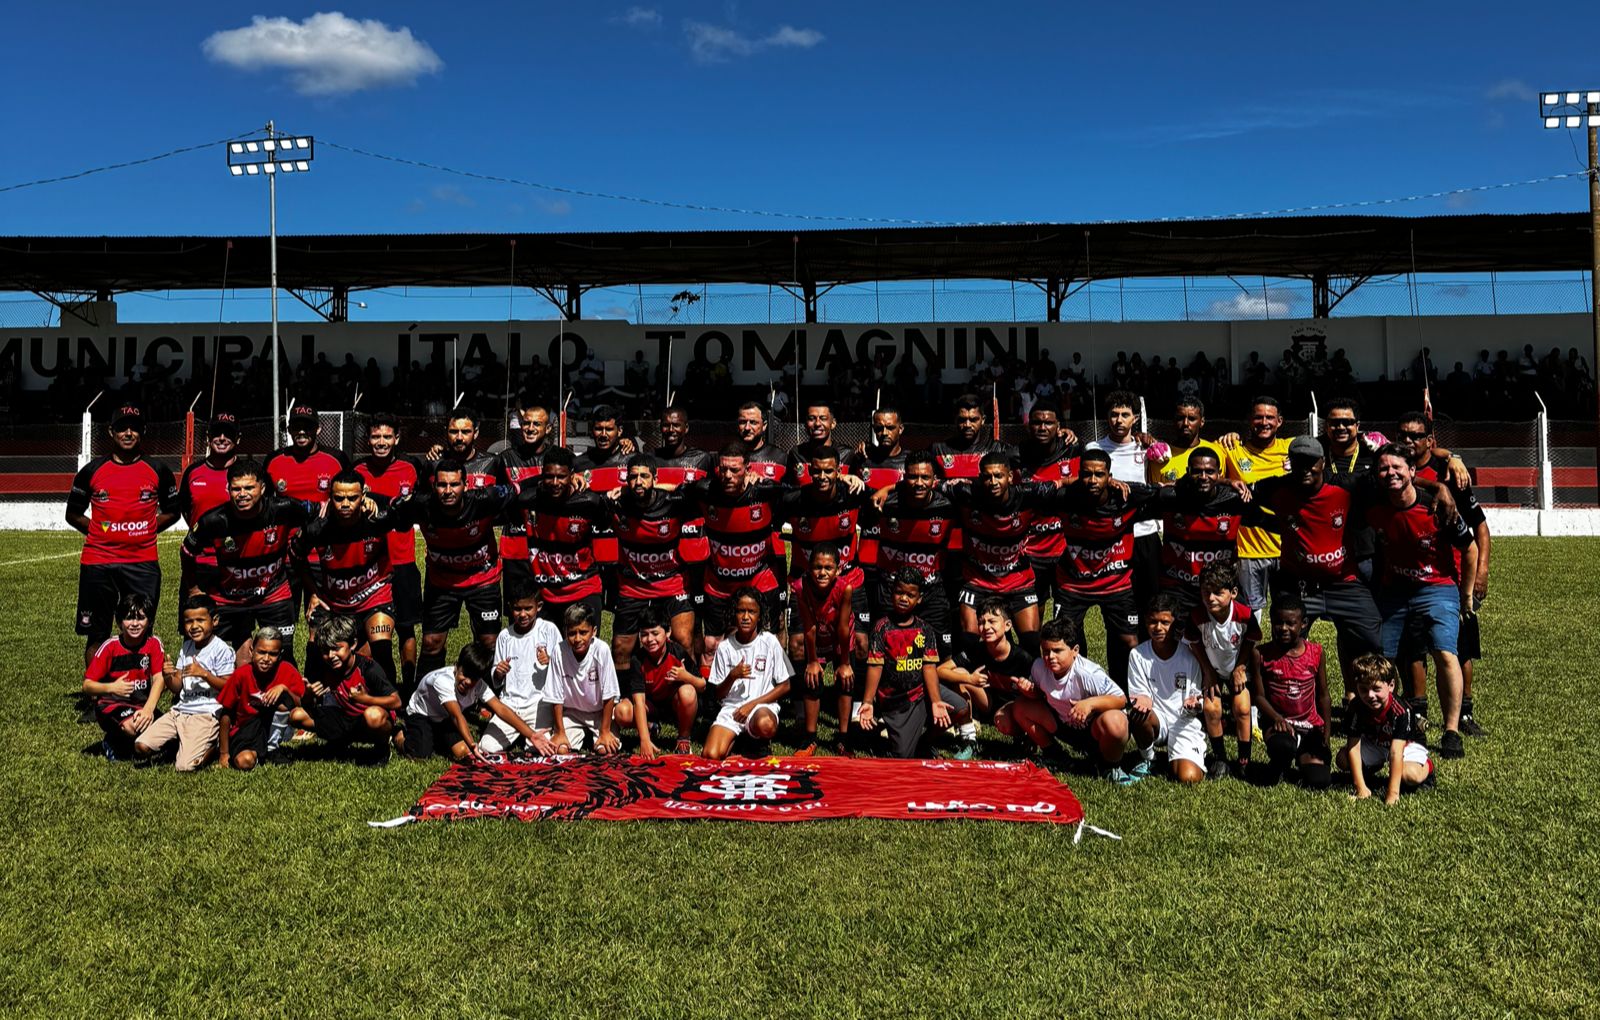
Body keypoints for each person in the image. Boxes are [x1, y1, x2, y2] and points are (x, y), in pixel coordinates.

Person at [1366, 445, 1478, 760]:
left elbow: (1469, 548)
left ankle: (1452, 731)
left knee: (1444, 652)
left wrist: (1466, 594)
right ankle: (1394, 721)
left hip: (1437, 588)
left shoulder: (1437, 507)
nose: (1391, 473)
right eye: (1384, 468)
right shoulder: (1374, 506)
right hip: (1395, 591)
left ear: (1413, 471)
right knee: (1384, 659)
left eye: (1398, 467)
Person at [66, 403, 180, 667]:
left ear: (143, 432)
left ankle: (138, 694)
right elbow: (72, 513)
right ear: (111, 432)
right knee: (97, 632)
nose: (128, 433)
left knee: (140, 628)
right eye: (122, 428)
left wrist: (146, 529)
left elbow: (173, 511)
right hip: (98, 562)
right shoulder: (92, 470)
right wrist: (100, 531)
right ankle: (97, 697)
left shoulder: (158, 470)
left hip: (142, 562)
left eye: (134, 428)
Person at [386, 459, 523, 676]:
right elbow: (390, 506)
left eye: (454, 485)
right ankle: (425, 701)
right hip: (442, 583)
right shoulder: (420, 504)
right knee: (432, 641)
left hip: (482, 579)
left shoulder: (485, 499)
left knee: (489, 641)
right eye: (442, 485)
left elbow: (522, 489)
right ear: (434, 487)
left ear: (466, 485)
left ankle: (489, 699)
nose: (448, 491)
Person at [1051, 448, 1170, 683]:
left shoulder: (1127, 497)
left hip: (1116, 583)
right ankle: (1076, 689)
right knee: (1065, 640)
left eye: (1099, 475)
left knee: (1130, 641)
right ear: (1078, 475)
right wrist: (1064, 480)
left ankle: (1131, 692)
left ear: (1110, 476)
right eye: (1086, 474)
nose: (1092, 480)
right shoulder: (1065, 498)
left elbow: (1166, 492)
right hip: (1074, 583)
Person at [183, 459, 315, 661]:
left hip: (273, 595)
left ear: (262, 488)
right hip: (229, 599)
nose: (242, 494)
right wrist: (193, 587)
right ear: (228, 489)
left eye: (248, 487)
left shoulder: (284, 508)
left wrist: (300, 543)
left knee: (282, 655)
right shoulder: (213, 521)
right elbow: (186, 551)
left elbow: (324, 511)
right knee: (221, 659)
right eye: (236, 489)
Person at [678, 444, 786, 665]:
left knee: (769, 641)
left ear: (748, 468)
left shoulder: (765, 491)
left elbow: (807, 493)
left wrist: (847, 481)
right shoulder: (704, 491)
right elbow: (667, 492)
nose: (727, 475)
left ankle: (772, 695)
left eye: (734, 470)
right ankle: (712, 698)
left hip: (759, 581)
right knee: (711, 645)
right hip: (719, 584)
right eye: (723, 469)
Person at [292, 469, 403, 684]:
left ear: (363, 496)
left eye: (352, 498)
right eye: (339, 498)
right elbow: (295, 555)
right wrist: (314, 593)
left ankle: (390, 702)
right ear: (330, 498)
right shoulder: (318, 527)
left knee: (380, 645)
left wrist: (376, 502)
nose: (345, 504)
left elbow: (408, 510)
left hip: (374, 595)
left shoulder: (378, 516)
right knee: (317, 645)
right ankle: (314, 699)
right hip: (336, 602)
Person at [997, 616, 1135, 783]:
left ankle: (1109, 765)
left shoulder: (1088, 673)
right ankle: (1055, 755)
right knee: (1020, 706)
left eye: (1057, 650)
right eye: (1046, 651)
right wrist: (1030, 691)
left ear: (1075, 650)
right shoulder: (1039, 667)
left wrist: (1089, 704)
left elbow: (1121, 699)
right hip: (1062, 724)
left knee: (1116, 721)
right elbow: (1040, 696)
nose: (1051, 657)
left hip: (1092, 729)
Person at [857, 569, 971, 759]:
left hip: (922, 690)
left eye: (910, 595)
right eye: (899, 592)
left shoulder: (925, 629)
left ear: (919, 599)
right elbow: (875, 666)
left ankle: (925, 742)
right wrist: (868, 702)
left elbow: (929, 667)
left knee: (960, 708)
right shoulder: (881, 628)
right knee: (902, 756)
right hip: (896, 700)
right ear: (891, 593)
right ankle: (886, 741)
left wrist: (936, 701)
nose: (904, 598)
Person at [355, 413, 425, 687]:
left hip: (403, 563)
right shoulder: (357, 472)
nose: (381, 442)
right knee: (368, 635)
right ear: (368, 438)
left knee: (406, 629)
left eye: (386, 436)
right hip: (370, 567)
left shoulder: (411, 467)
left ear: (396, 438)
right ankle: (379, 684)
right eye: (375, 436)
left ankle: (408, 686)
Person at [608, 454, 697, 668]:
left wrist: (663, 488)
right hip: (633, 587)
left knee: (684, 639)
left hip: (671, 583)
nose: (638, 481)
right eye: (633, 477)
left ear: (655, 479)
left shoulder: (673, 504)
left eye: (644, 476)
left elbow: (694, 489)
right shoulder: (615, 503)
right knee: (621, 647)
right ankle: (624, 698)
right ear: (626, 481)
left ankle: (693, 695)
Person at [133, 594, 233, 771]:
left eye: (200, 620)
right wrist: (169, 676)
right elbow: (178, 687)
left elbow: (229, 687)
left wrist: (204, 674)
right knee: (141, 745)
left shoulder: (222, 650)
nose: (194, 626)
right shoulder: (187, 646)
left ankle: (213, 747)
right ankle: (180, 742)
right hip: (180, 710)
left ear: (215, 621)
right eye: (188, 621)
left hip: (206, 714)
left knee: (185, 767)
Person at [400, 643, 545, 761]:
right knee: (420, 755)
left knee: (462, 752)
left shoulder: (479, 685)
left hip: (444, 718)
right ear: (456, 666)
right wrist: (472, 744)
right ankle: (398, 733)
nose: (468, 682)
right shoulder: (442, 681)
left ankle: (434, 738)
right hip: (422, 714)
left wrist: (531, 735)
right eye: (465, 674)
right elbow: (457, 716)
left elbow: (501, 709)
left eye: (474, 679)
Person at [522, 447, 615, 625]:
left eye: (562, 477)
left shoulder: (589, 502)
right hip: (546, 592)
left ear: (572, 475)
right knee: (544, 652)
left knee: (581, 648)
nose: (555, 482)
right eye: (549, 476)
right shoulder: (529, 500)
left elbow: (606, 523)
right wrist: (538, 481)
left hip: (583, 588)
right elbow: (515, 488)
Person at [1184, 563, 1259, 780]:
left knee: (1243, 708)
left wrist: (1240, 667)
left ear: (1233, 593)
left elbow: (1251, 639)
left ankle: (1244, 760)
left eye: (1218, 592)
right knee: (1211, 709)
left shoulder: (1244, 615)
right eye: (1206, 592)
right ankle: (1220, 759)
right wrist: (1207, 671)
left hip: (1235, 669)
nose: (1211, 598)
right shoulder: (1197, 616)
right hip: (1213, 670)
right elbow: (1194, 642)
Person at [1086, 391, 1161, 610]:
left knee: (1153, 601)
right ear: (1106, 417)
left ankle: (1150, 644)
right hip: (1114, 536)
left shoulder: (1145, 448)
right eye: (1114, 414)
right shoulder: (1094, 449)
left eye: (1125, 414)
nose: (1119, 420)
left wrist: (1152, 442)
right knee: (1121, 604)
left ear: (1135, 418)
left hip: (1145, 533)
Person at [290, 614, 402, 758]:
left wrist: (365, 699)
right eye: (325, 650)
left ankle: (382, 747)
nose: (331, 655)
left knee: (373, 715)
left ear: (353, 644)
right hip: (346, 717)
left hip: (369, 720)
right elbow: (307, 705)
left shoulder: (368, 668)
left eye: (337, 648)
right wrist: (308, 696)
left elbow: (396, 701)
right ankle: (339, 742)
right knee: (296, 715)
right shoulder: (324, 666)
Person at [1249, 595, 1332, 790]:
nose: (1283, 628)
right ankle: (1280, 763)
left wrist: (1326, 735)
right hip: (1278, 725)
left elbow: (1323, 696)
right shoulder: (1260, 654)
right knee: (1282, 747)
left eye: (1290, 623)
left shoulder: (1316, 652)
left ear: (1303, 624)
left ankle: (1304, 759)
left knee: (1319, 781)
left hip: (1310, 725)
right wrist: (1277, 718)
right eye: (1278, 622)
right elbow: (1258, 696)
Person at [1126, 594, 1208, 784]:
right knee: (1139, 714)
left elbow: (1197, 697)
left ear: (1174, 623)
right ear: (1146, 623)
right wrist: (1142, 701)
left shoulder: (1189, 656)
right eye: (1152, 622)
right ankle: (1149, 759)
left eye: (1165, 622)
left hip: (1184, 721)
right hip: (1158, 719)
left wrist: (1195, 704)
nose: (1158, 628)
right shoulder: (1138, 655)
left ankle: (1180, 755)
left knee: (1188, 778)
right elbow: (1140, 696)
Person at [704, 587, 792, 761]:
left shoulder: (770, 642)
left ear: (759, 615)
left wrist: (751, 705)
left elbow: (786, 685)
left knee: (765, 725)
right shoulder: (724, 647)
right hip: (732, 709)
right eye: (740, 611)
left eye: (751, 611)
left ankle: (756, 741)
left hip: (760, 707)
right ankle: (738, 740)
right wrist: (732, 676)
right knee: (711, 755)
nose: (745, 617)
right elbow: (717, 694)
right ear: (733, 614)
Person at [1220, 397, 1292, 611]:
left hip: (1288, 550)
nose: (1264, 422)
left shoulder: (1292, 448)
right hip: (1249, 551)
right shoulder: (1232, 449)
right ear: (1249, 421)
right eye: (1258, 417)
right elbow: (1206, 474)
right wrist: (1229, 481)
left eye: (1270, 417)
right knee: (1251, 616)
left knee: (1290, 612)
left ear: (1280, 421)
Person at [1339, 653, 1434, 804]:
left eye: (1376, 689)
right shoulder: (1356, 707)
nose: (1370, 695)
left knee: (1409, 775)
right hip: (1376, 742)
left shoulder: (1401, 710)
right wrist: (1360, 788)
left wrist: (1392, 794)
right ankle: (1371, 772)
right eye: (1363, 690)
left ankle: (1427, 768)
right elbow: (1353, 748)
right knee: (1343, 759)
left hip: (1405, 745)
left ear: (1391, 685)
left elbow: (1396, 752)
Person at [82, 592, 166, 761]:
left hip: (141, 704)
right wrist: (112, 687)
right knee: (133, 727)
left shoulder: (153, 644)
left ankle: (133, 745)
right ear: (119, 622)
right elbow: (87, 685)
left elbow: (159, 679)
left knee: (170, 731)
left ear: (149, 621)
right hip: (112, 704)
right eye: (129, 618)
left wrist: (149, 709)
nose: (134, 623)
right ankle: (113, 742)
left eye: (141, 618)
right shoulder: (110, 647)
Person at [794, 544, 861, 755]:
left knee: (845, 680)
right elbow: (809, 627)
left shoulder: (845, 588)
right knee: (811, 679)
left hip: (840, 636)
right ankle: (810, 738)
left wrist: (844, 663)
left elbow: (842, 628)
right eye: (817, 567)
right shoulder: (800, 587)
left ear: (838, 570)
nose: (822, 573)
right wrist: (813, 661)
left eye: (828, 568)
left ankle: (843, 738)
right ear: (809, 568)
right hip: (817, 635)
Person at [1017, 400, 1082, 612]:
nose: (1042, 427)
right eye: (1036, 422)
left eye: (1048, 423)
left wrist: (1062, 482)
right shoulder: (1016, 457)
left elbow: (1086, 480)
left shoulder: (1072, 449)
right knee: (1037, 609)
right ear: (1028, 425)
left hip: (1065, 548)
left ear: (1058, 426)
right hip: (1031, 550)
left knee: (1067, 613)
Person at [482, 584, 562, 755]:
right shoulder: (505, 636)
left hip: (539, 704)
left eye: (528, 608)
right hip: (510, 705)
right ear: (510, 608)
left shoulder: (549, 630)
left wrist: (550, 661)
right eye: (518, 609)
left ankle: (526, 737)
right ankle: (518, 733)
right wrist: (499, 672)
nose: (523, 614)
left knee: (540, 747)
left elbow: (563, 668)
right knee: (487, 747)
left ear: (538, 607)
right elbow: (496, 679)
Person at [935, 599, 1036, 732]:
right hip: (988, 702)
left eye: (992, 621)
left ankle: (1025, 738)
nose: (986, 627)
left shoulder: (1022, 658)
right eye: (981, 623)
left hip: (1014, 706)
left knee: (1005, 721)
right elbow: (940, 670)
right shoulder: (977, 649)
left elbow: (1038, 694)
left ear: (1007, 625)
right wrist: (969, 679)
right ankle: (968, 734)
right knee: (959, 672)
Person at [175, 412, 241, 614]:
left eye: (228, 434)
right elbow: (186, 509)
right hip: (199, 564)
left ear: (238, 439)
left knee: (239, 632)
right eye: (216, 433)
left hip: (238, 564)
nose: (221, 438)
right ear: (207, 438)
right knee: (194, 628)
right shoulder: (193, 472)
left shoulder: (249, 472)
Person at [613, 610, 703, 757]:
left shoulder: (677, 652)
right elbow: (639, 702)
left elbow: (702, 685)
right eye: (644, 634)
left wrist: (686, 676)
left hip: (674, 703)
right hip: (651, 706)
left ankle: (683, 738)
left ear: (668, 633)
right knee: (621, 712)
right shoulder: (638, 659)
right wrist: (644, 740)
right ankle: (650, 727)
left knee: (688, 691)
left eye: (655, 633)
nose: (650, 639)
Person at [216, 627, 305, 771]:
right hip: (245, 729)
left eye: (273, 654)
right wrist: (224, 753)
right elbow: (226, 713)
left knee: (283, 702)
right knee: (245, 762)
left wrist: (284, 688)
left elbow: (300, 704)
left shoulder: (287, 671)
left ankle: (272, 748)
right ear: (251, 651)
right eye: (261, 652)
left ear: (280, 654)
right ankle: (259, 754)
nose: (266, 659)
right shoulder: (241, 674)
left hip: (275, 726)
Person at [495, 401, 554, 615]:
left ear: (548, 428)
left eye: (536, 424)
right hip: (515, 545)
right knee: (517, 612)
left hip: (549, 546)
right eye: (526, 423)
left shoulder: (556, 457)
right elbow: (499, 498)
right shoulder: (506, 458)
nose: (529, 428)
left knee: (548, 612)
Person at [547, 602, 622, 754]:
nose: (577, 639)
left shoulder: (602, 650)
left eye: (583, 632)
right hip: (572, 712)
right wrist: (560, 731)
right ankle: (578, 735)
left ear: (593, 631)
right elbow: (555, 695)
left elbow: (609, 694)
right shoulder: (558, 651)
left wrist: (605, 731)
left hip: (599, 712)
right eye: (572, 633)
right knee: (561, 750)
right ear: (565, 631)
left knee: (605, 750)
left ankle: (598, 735)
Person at [929, 393, 1016, 480]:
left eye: (973, 420)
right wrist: (945, 486)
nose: (967, 425)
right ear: (955, 419)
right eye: (962, 420)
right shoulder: (938, 450)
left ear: (983, 420)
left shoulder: (998, 449)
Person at [1148, 397, 1223, 484]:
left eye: (1191, 419)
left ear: (1202, 422)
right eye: (1180, 418)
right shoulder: (1159, 456)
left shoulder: (1217, 452)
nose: (1185, 423)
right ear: (1173, 420)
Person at [735, 401, 787, 482]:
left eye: (753, 422)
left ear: (764, 426)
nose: (747, 427)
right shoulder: (727, 457)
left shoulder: (780, 457)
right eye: (743, 422)